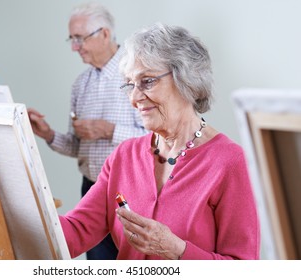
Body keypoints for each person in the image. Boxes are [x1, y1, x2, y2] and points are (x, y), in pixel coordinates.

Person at [58, 23, 260, 260]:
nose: (134, 98)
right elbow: (75, 231)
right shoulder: (124, 156)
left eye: (148, 81)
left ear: (188, 80)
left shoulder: (230, 162)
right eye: (130, 85)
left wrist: (177, 251)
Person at [27, 2, 147, 260]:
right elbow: (76, 146)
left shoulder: (138, 76)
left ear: (104, 34)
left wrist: (109, 131)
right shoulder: (80, 84)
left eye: (80, 38)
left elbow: (157, 140)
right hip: (91, 190)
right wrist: (48, 134)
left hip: (134, 190)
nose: (74, 47)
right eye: (71, 39)